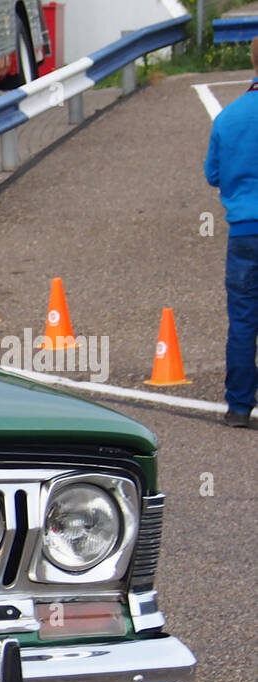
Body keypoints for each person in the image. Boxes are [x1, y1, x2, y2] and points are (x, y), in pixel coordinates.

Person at [206, 37, 258, 429]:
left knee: (242, 320)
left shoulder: (228, 117)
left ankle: (239, 407)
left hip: (243, 232)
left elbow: (213, 174)